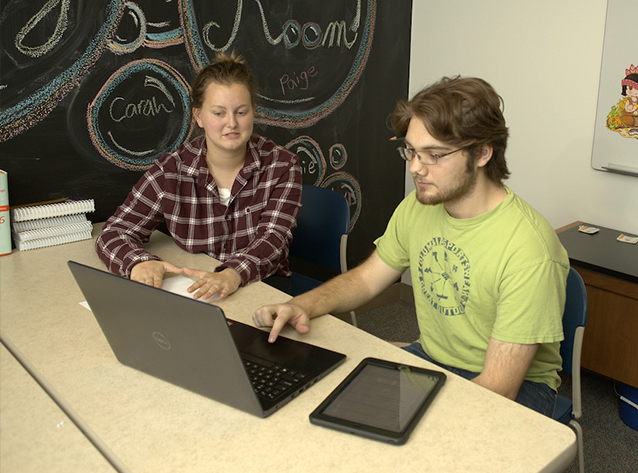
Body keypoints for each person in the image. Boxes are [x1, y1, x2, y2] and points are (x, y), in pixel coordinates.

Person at [253, 76, 569, 417]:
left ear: (482, 153)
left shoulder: (529, 250)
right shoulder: (420, 205)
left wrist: (408, 411)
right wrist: (304, 305)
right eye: (411, 151)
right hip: (434, 360)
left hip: (519, 389)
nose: (416, 168)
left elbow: (498, 388)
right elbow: (365, 280)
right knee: (327, 404)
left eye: (434, 155)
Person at [96, 52, 302, 300]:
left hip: (263, 288)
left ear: (253, 112)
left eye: (241, 112)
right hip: (195, 288)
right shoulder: (171, 170)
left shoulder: (282, 164)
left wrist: (232, 274)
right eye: (218, 113)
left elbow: (274, 238)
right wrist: (138, 263)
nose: (231, 124)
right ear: (198, 116)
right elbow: (114, 232)